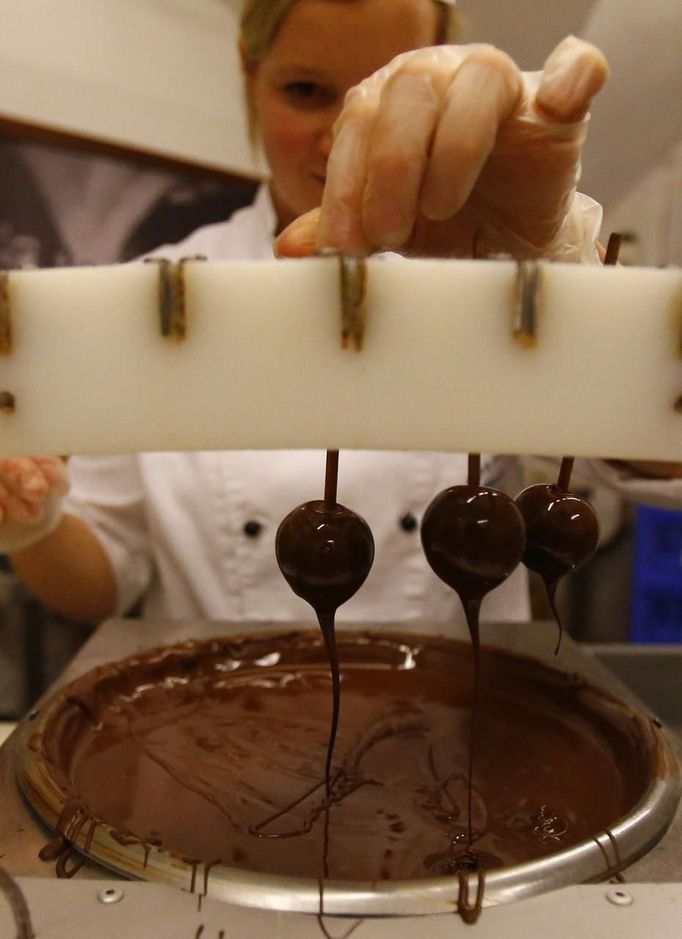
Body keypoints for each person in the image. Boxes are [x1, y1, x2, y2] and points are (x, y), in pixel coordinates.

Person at [0, 0, 679, 629]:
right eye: (306, 92)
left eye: (379, 94)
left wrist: (554, 259)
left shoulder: (497, 280)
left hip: (466, 725)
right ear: (249, 70)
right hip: (225, 726)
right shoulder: (163, 299)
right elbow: (104, 582)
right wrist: (30, 523)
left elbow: (660, 456)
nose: (344, 137)